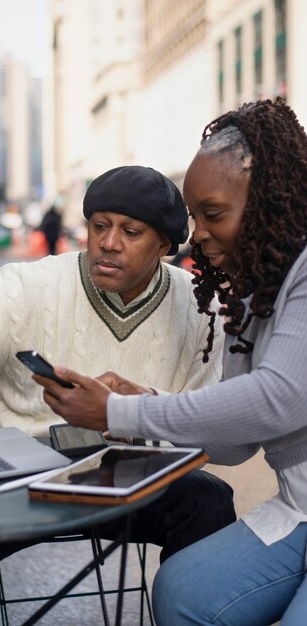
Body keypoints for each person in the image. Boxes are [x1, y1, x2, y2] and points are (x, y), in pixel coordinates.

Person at [0, 165, 235, 626]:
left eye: (130, 232)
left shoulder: (200, 305)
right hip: (19, 480)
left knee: (209, 501)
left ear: (165, 247)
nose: (108, 242)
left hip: (131, 479)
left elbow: (210, 423)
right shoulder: (32, 285)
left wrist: (144, 406)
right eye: (99, 226)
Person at [34, 99, 307, 626]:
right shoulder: (252, 295)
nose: (197, 233)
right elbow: (233, 444)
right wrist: (147, 403)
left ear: (271, 203)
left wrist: (118, 413)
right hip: (299, 515)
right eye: (194, 216)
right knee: (183, 590)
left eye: (213, 214)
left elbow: (280, 398)